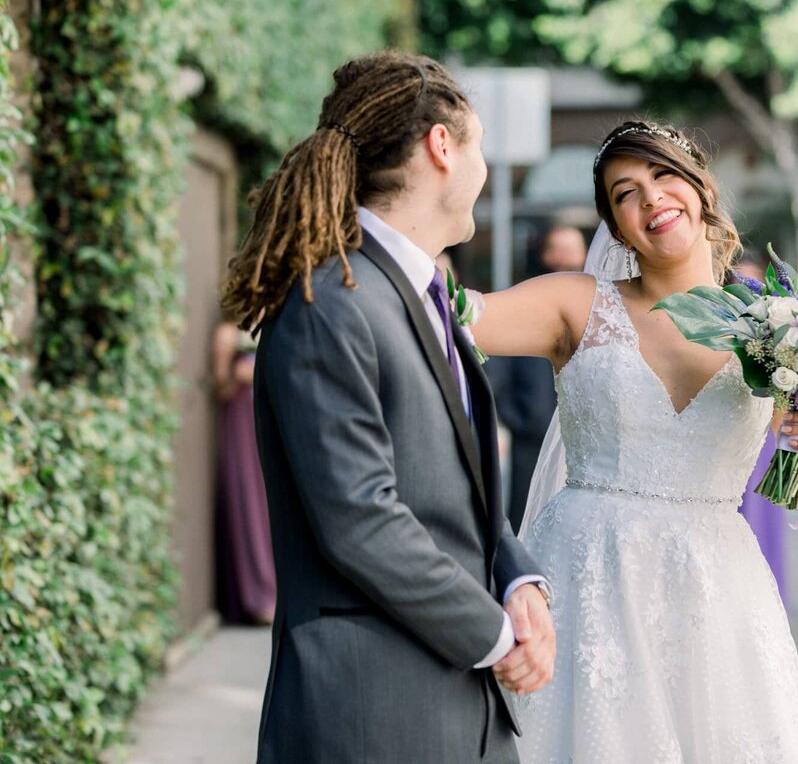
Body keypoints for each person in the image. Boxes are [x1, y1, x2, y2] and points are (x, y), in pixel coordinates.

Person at [469, 121, 798, 762]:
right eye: (625, 193)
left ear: (701, 186)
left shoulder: (780, 331)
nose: (649, 199)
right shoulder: (575, 303)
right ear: (615, 227)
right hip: (587, 575)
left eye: (662, 174)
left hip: (717, 593)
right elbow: (455, 314)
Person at [219, 52, 551, 764]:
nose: (484, 167)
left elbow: (458, 485)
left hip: (458, 706)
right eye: (480, 145)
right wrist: (494, 637)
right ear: (442, 145)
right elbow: (360, 519)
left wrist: (517, 576)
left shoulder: (421, 291)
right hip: (370, 711)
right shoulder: (328, 303)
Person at [488, 224, 588, 531]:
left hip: (584, 446)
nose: (563, 257)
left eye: (571, 249)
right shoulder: (526, 301)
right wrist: (518, 418)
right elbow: (498, 369)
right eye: (556, 248)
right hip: (530, 437)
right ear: (544, 253)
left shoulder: (597, 309)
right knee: (525, 519)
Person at [734, 250, 793, 604]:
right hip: (725, 440)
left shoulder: (779, 330)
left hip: (765, 439)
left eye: (752, 282)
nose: (747, 289)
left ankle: (765, 606)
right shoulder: (721, 327)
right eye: (739, 281)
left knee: (763, 524)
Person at [212, 320, 276, 625]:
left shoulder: (281, 321)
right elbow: (220, 388)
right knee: (249, 503)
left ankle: (280, 591)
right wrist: (235, 373)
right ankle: (259, 596)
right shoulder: (229, 333)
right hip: (242, 427)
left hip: (275, 427)